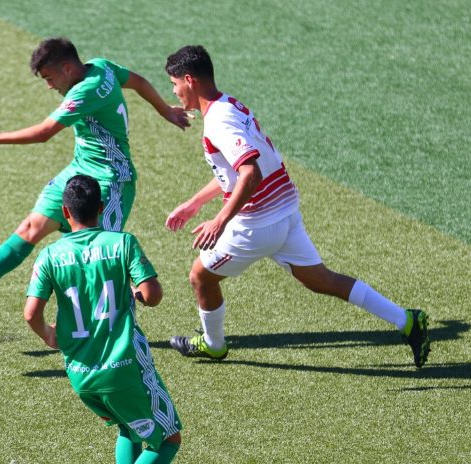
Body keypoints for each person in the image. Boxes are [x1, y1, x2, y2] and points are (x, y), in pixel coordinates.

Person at [163, 45, 430, 368]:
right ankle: (407, 321)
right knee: (322, 280)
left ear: (189, 79)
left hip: (256, 225)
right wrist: (194, 203)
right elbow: (241, 170)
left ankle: (213, 344)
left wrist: (219, 221)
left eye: (174, 84)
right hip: (286, 212)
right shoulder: (231, 105)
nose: (175, 92)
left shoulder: (218, 122)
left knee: (200, 277)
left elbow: (250, 173)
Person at [0, 37, 189, 312]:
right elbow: (138, 81)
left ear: (66, 68)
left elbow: (44, 133)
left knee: (98, 257)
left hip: (112, 181)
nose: (49, 86)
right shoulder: (102, 66)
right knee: (31, 227)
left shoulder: (85, 91)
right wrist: (165, 110)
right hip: (78, 170)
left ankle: (129, 300)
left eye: (49, 78)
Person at [24, 175, 182, 463]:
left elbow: (31, 313)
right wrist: (137, 293)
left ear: (65, 212)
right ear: (101, 207)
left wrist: (49, 335)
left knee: (128, 428)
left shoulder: (49, 256)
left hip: (81, 376)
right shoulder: (122, 243)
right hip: (124, 368)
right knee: (167, 441)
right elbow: (153, 295)